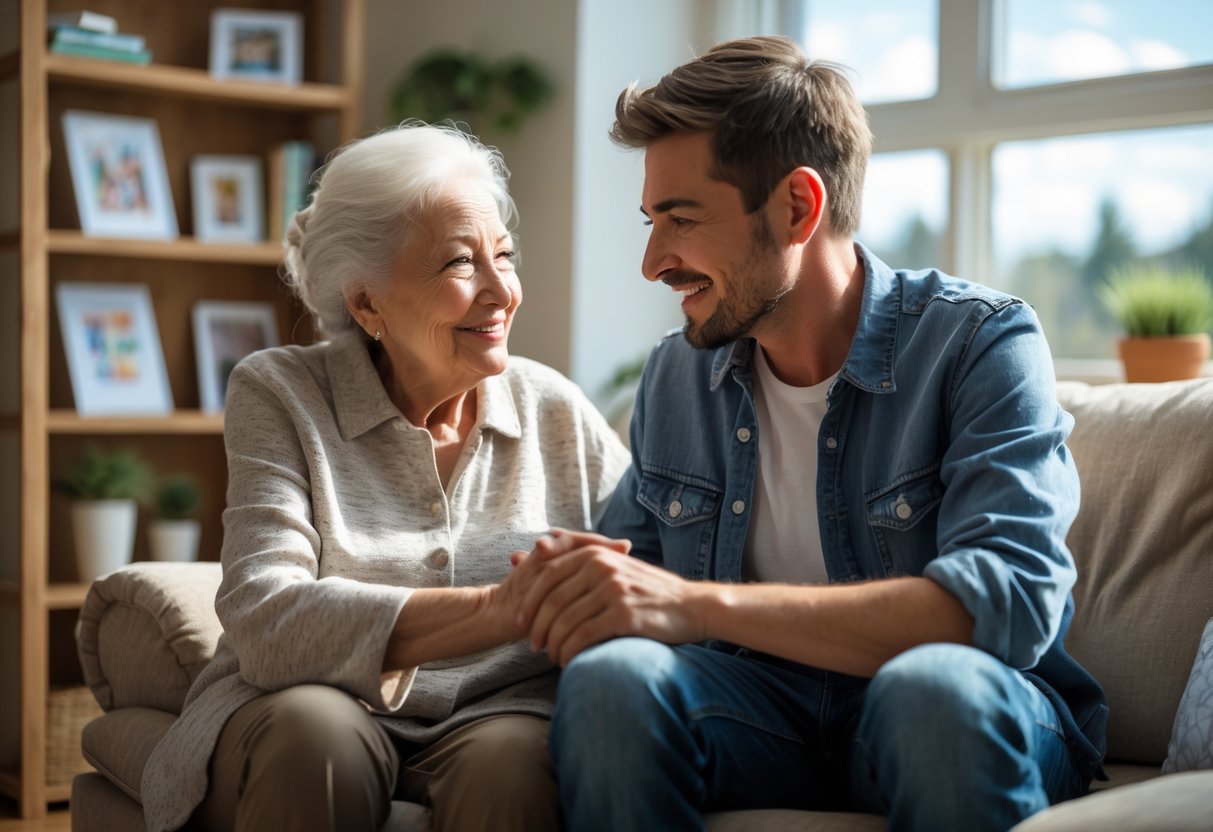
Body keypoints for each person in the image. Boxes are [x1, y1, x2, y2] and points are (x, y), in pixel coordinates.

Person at [513, 36, 1108, 832]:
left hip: (956, 711)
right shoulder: (678, 375)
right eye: (651, 221)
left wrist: (701, 605)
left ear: (798, 205)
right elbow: (636, 593)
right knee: (613, 682)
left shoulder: (979, 343)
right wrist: (569, 591)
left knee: (931, 691)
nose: (653, 261)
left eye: (681, 219)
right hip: (756, 711)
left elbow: (1006, 607)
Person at [139, 123, 629, 832]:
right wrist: (496, 610)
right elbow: (265, 618)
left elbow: (643, 562)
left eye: (505, 256)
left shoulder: (551, 405)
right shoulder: (281, 392)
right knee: (317, 736)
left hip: (497, 712)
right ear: (366, 304)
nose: (502, 291)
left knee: (516, 767)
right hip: (306, 700)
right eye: (461, 264)